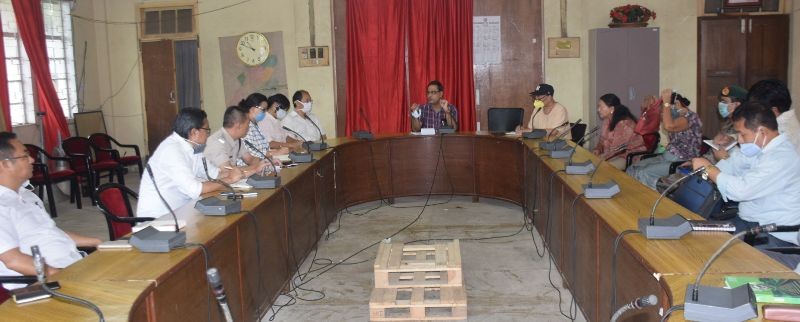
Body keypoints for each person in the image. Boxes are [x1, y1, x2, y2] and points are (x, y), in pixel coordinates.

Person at [0, 132, 101, 289]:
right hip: (42, 283)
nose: (32, 160)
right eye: (25, 156)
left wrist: (99, 243)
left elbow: (49, 232)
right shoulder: (2, 206)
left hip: (72, 265)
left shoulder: (27, 195)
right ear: (5, 164)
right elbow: (13, 260)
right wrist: (60, 275)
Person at [691, 102, 800, 246]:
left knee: (710, 249)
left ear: (762, 132)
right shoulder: (758, 148)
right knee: (696, 238)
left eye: (742, 134)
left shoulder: (781, 157)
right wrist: (709, 168)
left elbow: (741, 191)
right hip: (748, 221)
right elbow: (731, 166)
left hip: (773, 232)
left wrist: (710, 169)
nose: (740, 140)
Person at [138, 108, 245, 218]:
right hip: (159, 219)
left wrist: (236, 173)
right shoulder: (171, 150)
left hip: (182, 210)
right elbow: (196, 189)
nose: (208, 134)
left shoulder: (193, 147)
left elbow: (214, 174)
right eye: (207, 130)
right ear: (194, 132)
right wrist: (230, 179)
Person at [626, 89, 702, 189]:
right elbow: (646, 126)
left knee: (643, 173)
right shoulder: (673, 116)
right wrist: (651, 107)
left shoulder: (691, 117)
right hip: (667, 157)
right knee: (632, 169)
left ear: (677, 104)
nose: (662, 113)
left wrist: (666, 103)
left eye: (664, 109)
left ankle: (653, 199)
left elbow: (669, 126)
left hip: (681, 162)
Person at [204, 106, 270, 175]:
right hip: (216, 183)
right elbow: (228, 171)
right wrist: (256, 167)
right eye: (247, 124)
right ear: (239, 126)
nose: (248, 128)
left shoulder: (236, 139)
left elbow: (250, 159)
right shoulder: (216, 142)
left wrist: (267, 163)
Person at [592, 94, 646, 170]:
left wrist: (601, 158)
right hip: (613, 154)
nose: (598, 109)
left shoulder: (624, 124)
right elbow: (602, 140)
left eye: (601, 107)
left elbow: (617, 149)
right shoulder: (607, 120)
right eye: (598, 106)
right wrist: (598, 149)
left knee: (603, 168)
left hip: (629, 156)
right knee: (594, 163)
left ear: (611, 109)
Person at [747, 79, 799, 155]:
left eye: (757, 109)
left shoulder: (779, 134)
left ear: (773, 111)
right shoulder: (791, 125)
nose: (754, 113)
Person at [237, 93, 289, 168]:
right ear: (252, 109)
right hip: (250, 171)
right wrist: (274, 153)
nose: (265, 113)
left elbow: (262, 149)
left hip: (263, 167)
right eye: (263, 110)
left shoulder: (254, 125)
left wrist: (273, 152)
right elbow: (250, 156)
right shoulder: (245, 127)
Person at [705, 85, 748, 163]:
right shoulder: (728, 123)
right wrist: (700, 161)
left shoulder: (746, 126)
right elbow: (714, 150)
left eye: (724, 102)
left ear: (737, 105)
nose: (720, 104)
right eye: (721, 101)